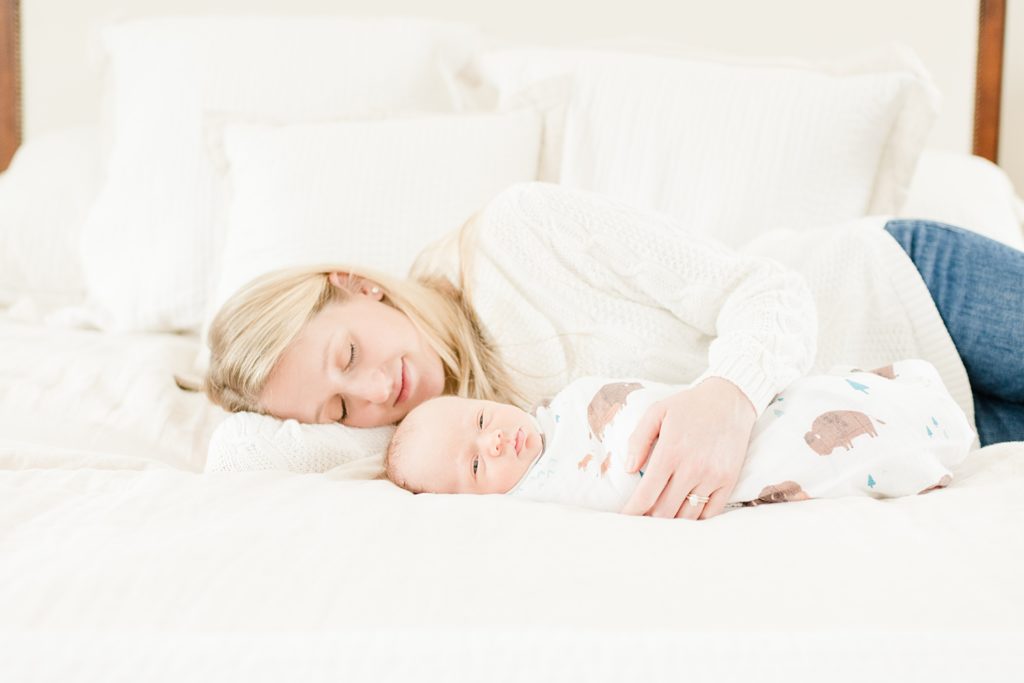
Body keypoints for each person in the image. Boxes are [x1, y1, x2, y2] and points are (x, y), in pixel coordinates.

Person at [203, 182, 1024, 519]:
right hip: (915, 429)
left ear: (359, 284)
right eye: (339, 407)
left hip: (908, 294)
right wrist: (248, 383)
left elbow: (764, 289)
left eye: (349, 353)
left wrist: (726, 396)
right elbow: (239, 457)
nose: (378, 390)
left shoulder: (519, 233)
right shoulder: (441, 444)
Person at [383, 359, 975, 513]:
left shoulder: (561, 405)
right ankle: (913, 449)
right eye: (477, 467)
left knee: (817, 400)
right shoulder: (549, 489)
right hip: (737, 459)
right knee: (818, 453)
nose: (492, 442)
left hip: (742, 408)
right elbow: (628, 487)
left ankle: (900, 399)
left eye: (482, 420)